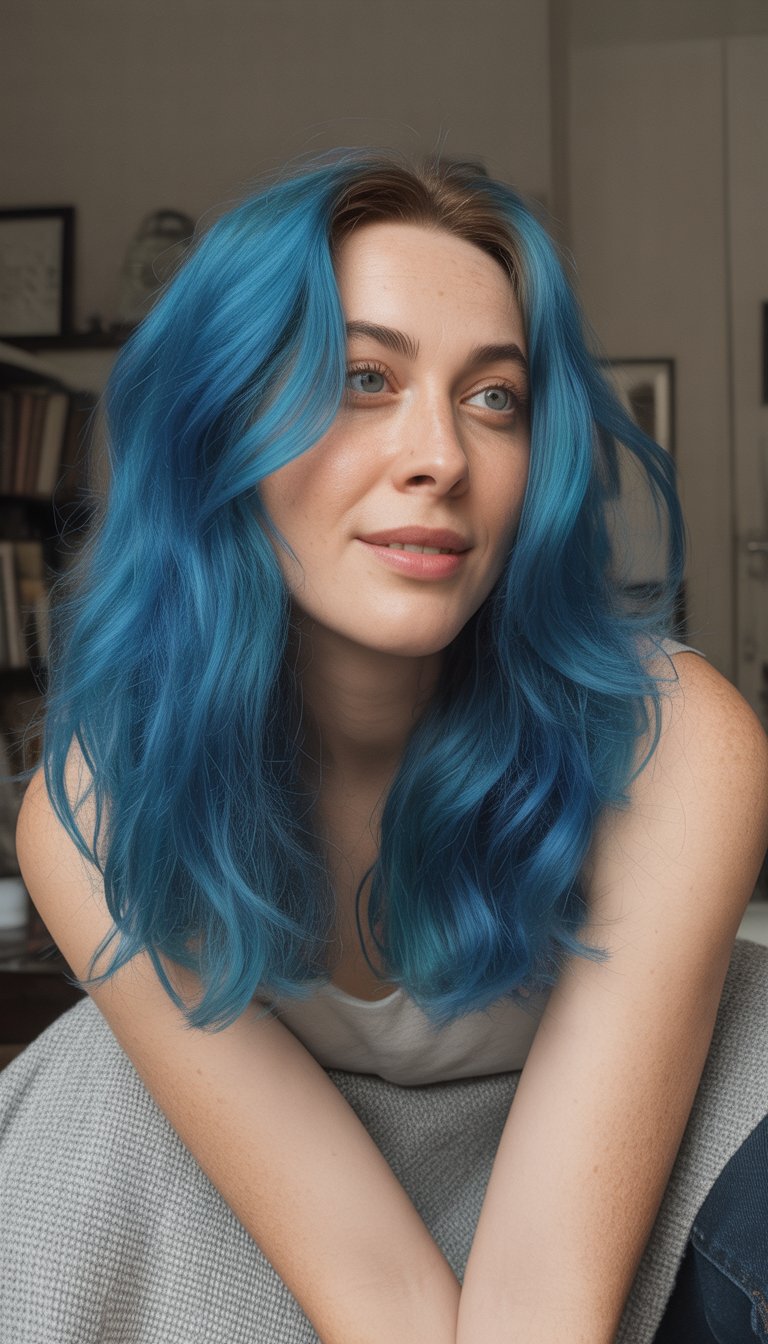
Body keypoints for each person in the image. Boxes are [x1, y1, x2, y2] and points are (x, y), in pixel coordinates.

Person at [2, 147, 768, 1343]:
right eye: (363, 378)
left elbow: (545, 1294)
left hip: (652, 1207)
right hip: (297, 1232)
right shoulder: (96, 809)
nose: (443, 458)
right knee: (81, 1108)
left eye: (493, 397)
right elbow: (373, 1287)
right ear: (221, 426)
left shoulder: (674, 744)